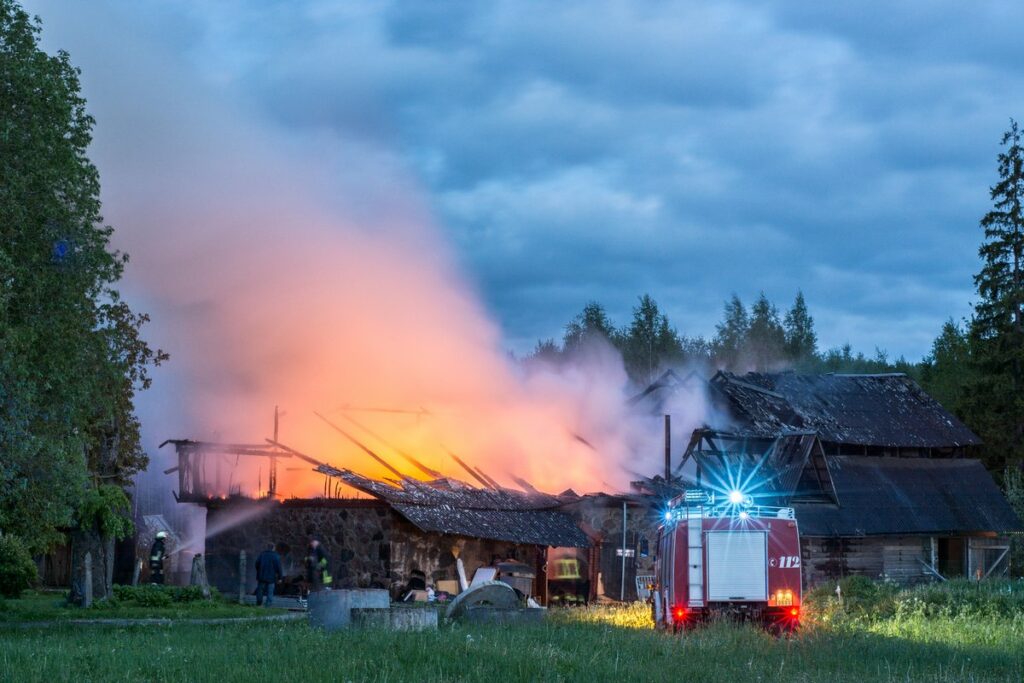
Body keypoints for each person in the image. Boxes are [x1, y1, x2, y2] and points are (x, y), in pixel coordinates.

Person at [254, 542, 283, 607]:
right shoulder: (276, 556)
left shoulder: (262, 554)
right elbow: (279, 568)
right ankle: (268, 606)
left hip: (261, 576)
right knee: (270, 592)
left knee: (260, 591)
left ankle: (259, 604)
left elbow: (256, 564)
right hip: (271, 578)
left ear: (267, 547)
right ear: (273, 548)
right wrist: (280, 578)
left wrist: (259, 571)